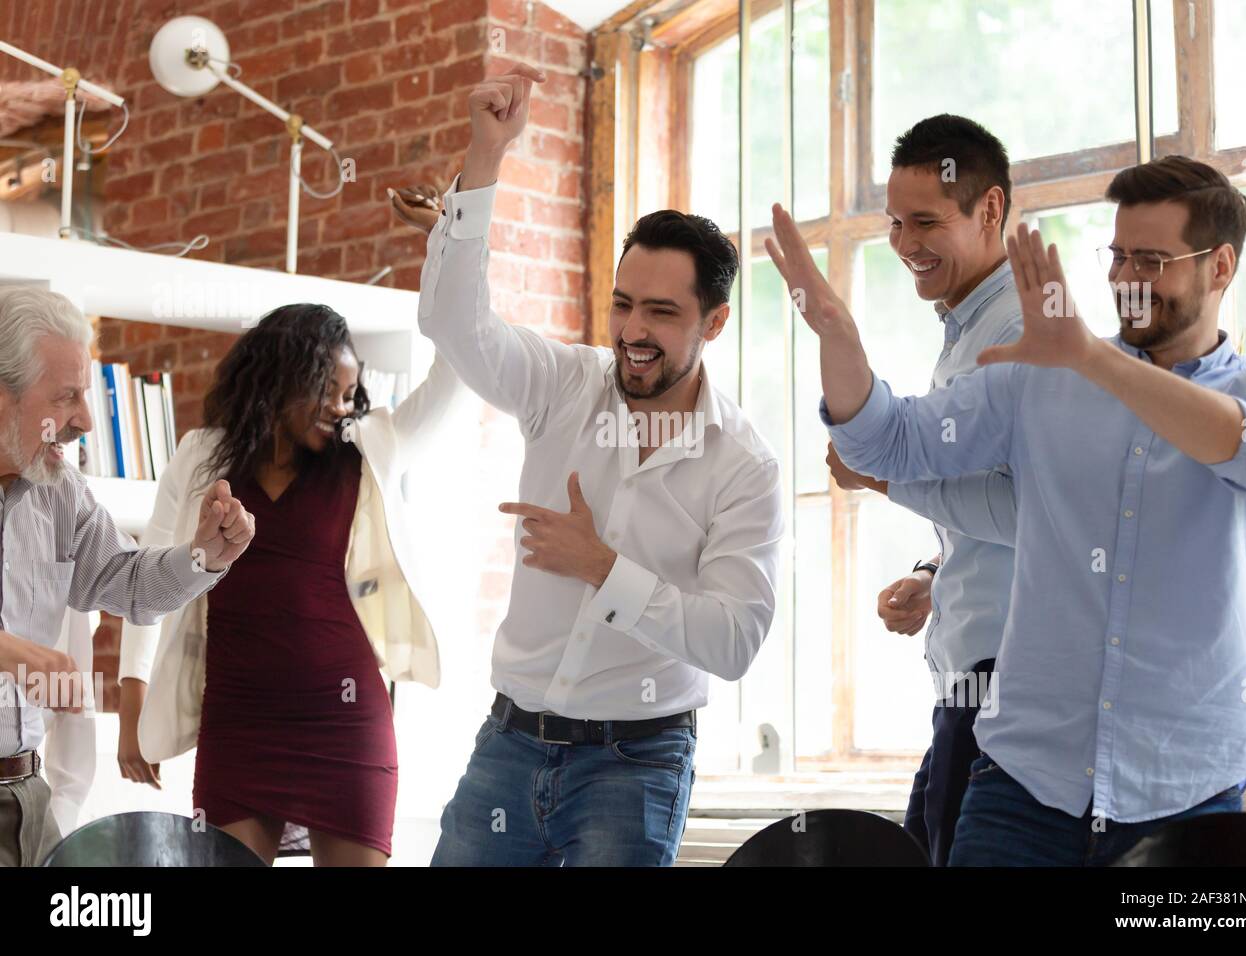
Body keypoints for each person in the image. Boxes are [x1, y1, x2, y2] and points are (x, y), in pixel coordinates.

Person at [769, 154, 1246, 866]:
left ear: (1221, 266)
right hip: (1024, 783)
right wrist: (838, 336)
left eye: (1152, 260)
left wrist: (1092, 360)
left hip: (1187, 787)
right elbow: (888, 441)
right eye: (1118, 258)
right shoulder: (1042, 378)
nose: (1127, 281)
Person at [391, 60, 783, 866]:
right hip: (508, 742)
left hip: (635, 762)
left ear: (715, 324)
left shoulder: (745, 466)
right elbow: (452, 324)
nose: (634, 331)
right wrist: (486, 158)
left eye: (663, 313)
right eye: (623, 303)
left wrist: (604, 568)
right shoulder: (563, 384)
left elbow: (734, 638)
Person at [117, 303, 466, 866]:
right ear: (282, 376)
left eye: (349, 394)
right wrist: (131, 695)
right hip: (238, 723)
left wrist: (448, 249)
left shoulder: (368, 447)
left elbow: (456, 374)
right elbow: (148, 575)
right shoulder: (201, 456)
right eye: (328, 388)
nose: (339, 407)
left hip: (345, 726)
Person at [0, 286, 253, 867]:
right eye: (66, 398)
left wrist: (203, 555)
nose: (86, 420)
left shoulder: (60, 495)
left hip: (25, 801)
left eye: (85, 396)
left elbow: (130, 584)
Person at [826, 114, 1020, 866]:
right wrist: (936, 573)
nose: (906, 244)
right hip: (968, 683)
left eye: (928, 222)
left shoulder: (1018, 329)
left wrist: (881, 475)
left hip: (1005, 687)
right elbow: (991, 508)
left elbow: (1036, 511)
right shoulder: (966, 328)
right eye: (896, 223)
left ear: (991, 210)